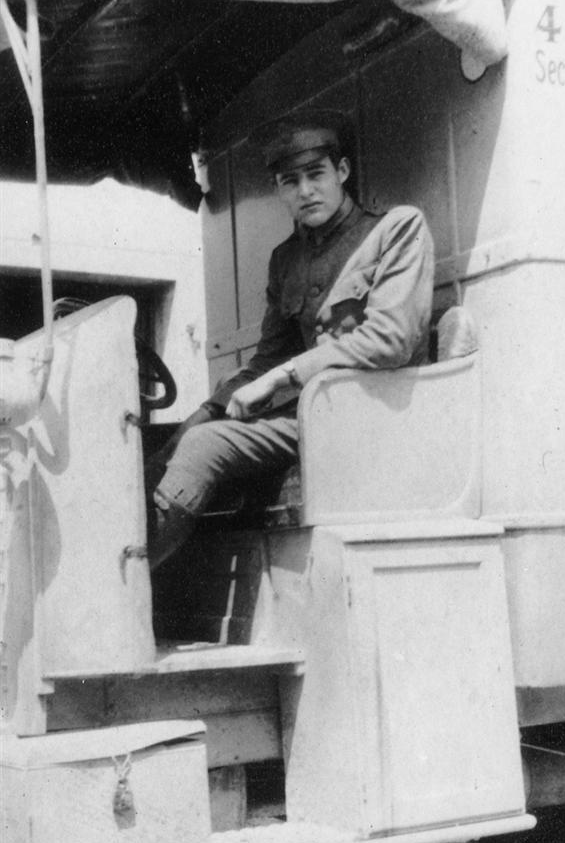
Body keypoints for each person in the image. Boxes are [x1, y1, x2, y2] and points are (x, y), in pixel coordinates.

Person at [147, 108, 435, 569]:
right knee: (170, 447)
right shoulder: (286, 260)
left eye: (316, 174)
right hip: (312, 414)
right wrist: (201, 415)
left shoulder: (396, 230)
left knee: (203, 449)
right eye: (289, 181)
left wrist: (282, 378)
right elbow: (267, 360)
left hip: (373, 412)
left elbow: (391, 339)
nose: (305, 191)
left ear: (341, 172)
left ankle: (120, 604)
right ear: (279, 190)